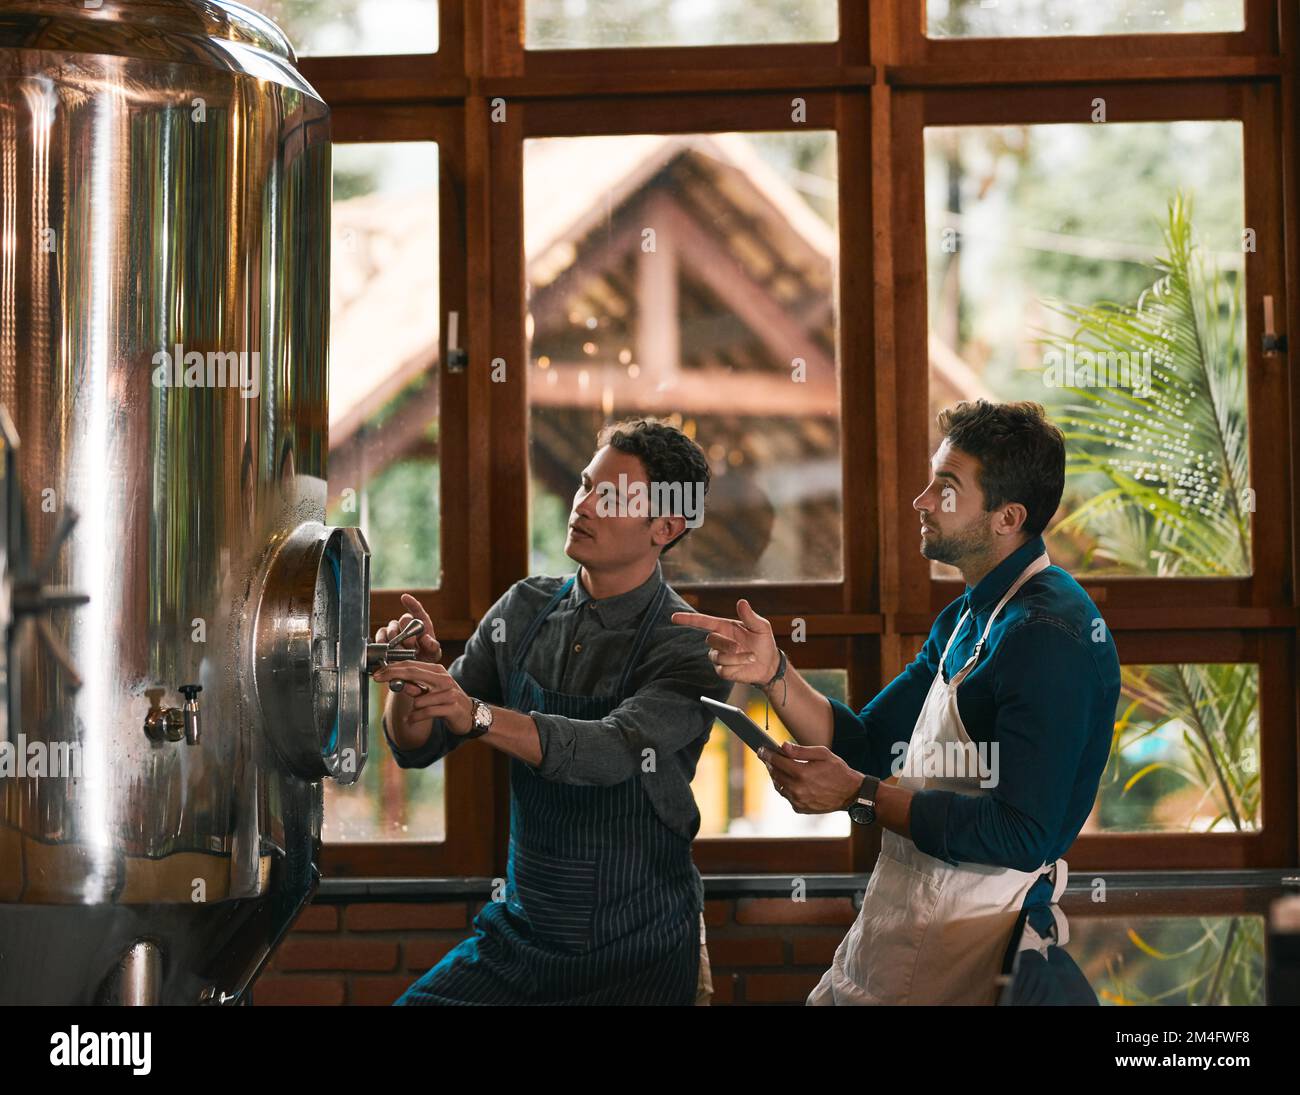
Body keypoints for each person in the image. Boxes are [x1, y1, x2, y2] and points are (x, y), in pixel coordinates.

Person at [675, 400, 1121, 1004]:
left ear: (1006, 517)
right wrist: (772, 671)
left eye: (946, 487)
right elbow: (865, 741)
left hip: (971, 952)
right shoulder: (966, 615)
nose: (921, 501)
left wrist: (858, 794)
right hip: (899, 929)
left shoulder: (1050, 636)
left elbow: (1023, 833)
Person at [373, 418, 730, 1005]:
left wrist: (479, 715)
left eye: (609, 497)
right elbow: (418, 744)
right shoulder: (525, 608)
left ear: (665, 526)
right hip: (523, 937)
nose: (584, 504)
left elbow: (612, 748)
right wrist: (414, 684)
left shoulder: (689, 645)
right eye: (586, 485)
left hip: (639, 949)